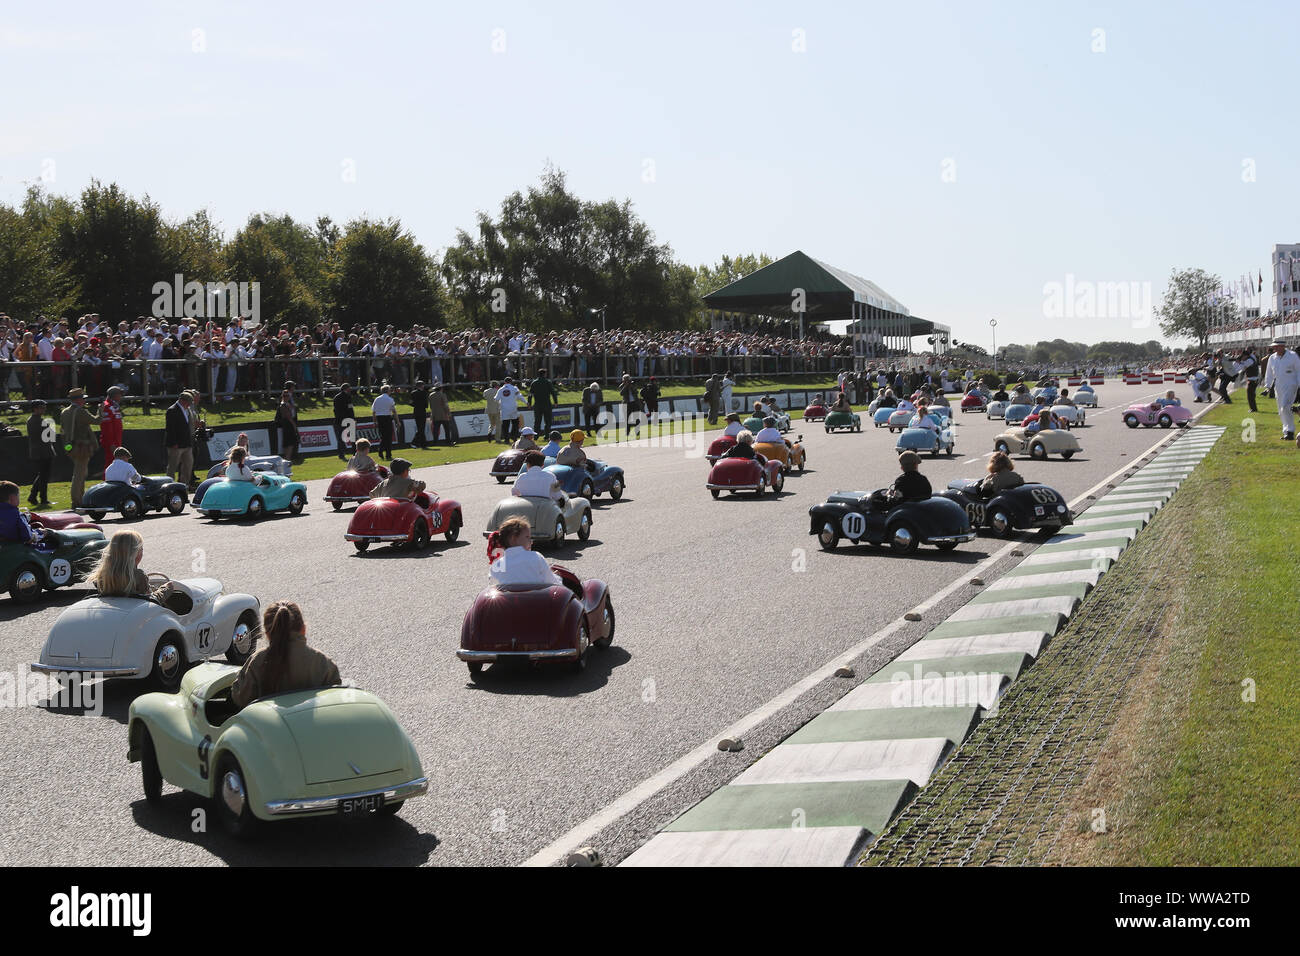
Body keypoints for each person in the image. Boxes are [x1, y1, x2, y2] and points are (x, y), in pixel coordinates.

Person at [231, 601, 342, 710]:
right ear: (303, 629)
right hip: (314, 726)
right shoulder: (322, 663)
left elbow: (240, 698)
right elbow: (336, 700)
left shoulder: (257, 661)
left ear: (268, 634)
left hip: (269, 726)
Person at [89, 529, 171, 600]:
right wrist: (166, 589)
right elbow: (152, 601)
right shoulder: (138, 576)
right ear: (135, 554)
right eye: (141, 549)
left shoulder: (101, 577)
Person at [486, 516, 562, 589]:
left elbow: (493, 588)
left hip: (508, 602)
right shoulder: (535, 557)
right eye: (527, 537)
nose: (531, 542)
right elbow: (554, 583)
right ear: (513, 538)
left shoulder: (497, 564)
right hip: (536, 601)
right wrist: (558, 577)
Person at [61, 387, 101, 509]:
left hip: (70, 446)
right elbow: (97, 421)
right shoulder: (80, 412)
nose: (84, 401)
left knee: (81, 472)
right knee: (79, 474)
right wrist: (101, 410)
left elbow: (62, 430)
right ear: (78, 400)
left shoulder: (65, 412)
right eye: (83, 399)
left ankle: (81, 498)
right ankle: (77, 501)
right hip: (81, 447)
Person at [1262, 338, 1300, 440]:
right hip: (1278, 386)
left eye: (1277, 346)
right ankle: (1286, 431)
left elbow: (1298, 370)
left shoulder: (1292, 356)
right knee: (1281, 410)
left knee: (1285, 407)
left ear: (1283, 346)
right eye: (1274, 346)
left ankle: (1290, 431)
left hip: (1291, 384)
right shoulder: (1272, 358)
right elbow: (1269, 373)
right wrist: (1267, 386)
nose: (1275, 348)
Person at [162, 390, 195, 490]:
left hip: (186, 444)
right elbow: (170, 428)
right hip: (176, 445)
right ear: (182, 400)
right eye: (188, 402)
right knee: (172, 467)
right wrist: (174, 443)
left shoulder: (187, 410)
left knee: (188, 466)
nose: (189, 404)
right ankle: (169, 487)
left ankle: (184, 487)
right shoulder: (172, 410)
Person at [0, 481, 46, 547]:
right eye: (18, 496)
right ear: (12, 498)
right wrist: (41, 532)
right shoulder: (18, 515)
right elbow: (29, 537)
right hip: (16, 550)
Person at [27, 399, 54, 507]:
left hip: (42, 451)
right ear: (35, 408)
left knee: (42, 476)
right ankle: (42, 498)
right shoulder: (36, 421)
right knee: (43, 477)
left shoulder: (36, 420)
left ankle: (33, 496)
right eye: (41, 407)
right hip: (42, 452)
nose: (44, 409)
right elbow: (48, 436)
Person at [99, 386, 124, 477]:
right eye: (120, 394)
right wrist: (111, 443)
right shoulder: (106, 406)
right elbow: (106, 427)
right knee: (110, 463)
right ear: (115, 395)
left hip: (117, 440)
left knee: (116, 463)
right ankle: (106, 482)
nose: (121, 397)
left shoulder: (114, 406)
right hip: (111, 442)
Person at [529, 369, 560, 436]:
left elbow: (530, 394)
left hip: (537, 405)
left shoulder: (534, 383)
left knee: (537, 421)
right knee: (548, 421)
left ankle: (536, 435)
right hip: (547, 404)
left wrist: (529, 403)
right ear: (545, 374)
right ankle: (547, 435)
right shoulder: (548, 382)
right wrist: (555, 402)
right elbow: (553, 393)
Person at [371, 385, 397, 460]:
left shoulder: (377, 399)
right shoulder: (390, 399)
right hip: (387, 418)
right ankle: (387, 454)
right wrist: (397, 421)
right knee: (388, 437)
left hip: (380, 419)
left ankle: (381, 450)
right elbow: (394, 411)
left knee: (383, 436)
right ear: (387, 391)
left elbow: (373, 412)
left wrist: (374, 421)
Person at [496, 377, 523, 443]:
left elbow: (496, 399)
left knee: (505, 425)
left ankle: (506, 439)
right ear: (511, 382)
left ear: (504, 382)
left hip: (504, 410)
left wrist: (501, 402)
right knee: (515, 423)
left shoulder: (501, 389)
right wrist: (526, 402)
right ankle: (514, 437)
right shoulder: (514, 388)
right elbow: (520, 396)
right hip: (513, 409)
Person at [274, 389, 298, 462]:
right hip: (288, 425)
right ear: (282, 396)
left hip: (289, 424)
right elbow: (289, 417)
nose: (286, 397)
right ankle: (287, 459)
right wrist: (295, 427)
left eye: (288, 395)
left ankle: (287, 458)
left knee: (289, 443)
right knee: (289, 443)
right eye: (284, 395)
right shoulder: (283, 405)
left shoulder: (289, 404)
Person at [332, 382, 353, 461]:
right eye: (349, 388)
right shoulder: (348, 397)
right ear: (346, 389)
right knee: (351, 437)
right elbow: (350, 409)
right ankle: (353, 452)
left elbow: (335, 410)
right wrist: (352, 418)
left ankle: (341, 453)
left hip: (338, 420)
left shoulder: (336, 397)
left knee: (340, 438)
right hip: (347, 420)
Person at [1238, 346, 1260, 413]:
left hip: (1252, 379)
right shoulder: (1250, 359)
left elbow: (1244, 366)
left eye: (1243, 356)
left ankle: (1253, 409)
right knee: (1251, 395)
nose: (1242, 357)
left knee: (1250, 395)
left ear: (1246, 355)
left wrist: (1239, 362)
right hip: (1252, 379)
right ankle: (1253, 408)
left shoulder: (1249, 360)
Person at [409, 380, 429, 448]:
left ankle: (421, 443)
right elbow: (426, 404)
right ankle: (418, 443)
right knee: (421, 428)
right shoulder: (424, 393)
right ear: (421, 386)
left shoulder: (413, 393)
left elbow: (410, 403)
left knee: (420, 428)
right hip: (422, 411)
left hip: (416, 411)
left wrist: (416, 405)